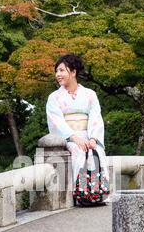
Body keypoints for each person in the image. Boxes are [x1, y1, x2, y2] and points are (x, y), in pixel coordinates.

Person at [46, 53, 110, 205]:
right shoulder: (54, 97)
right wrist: (74, 137)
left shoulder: (90, 95)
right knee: (78, 150)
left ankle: (97, 193)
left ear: (73, 72)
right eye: (57, 71)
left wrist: (94, 138)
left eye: (62, 70)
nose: (58, 74)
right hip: (68, 137)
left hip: (88, 134)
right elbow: (57, 122)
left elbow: (96, 118)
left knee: (98, 152)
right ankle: (80, 194)